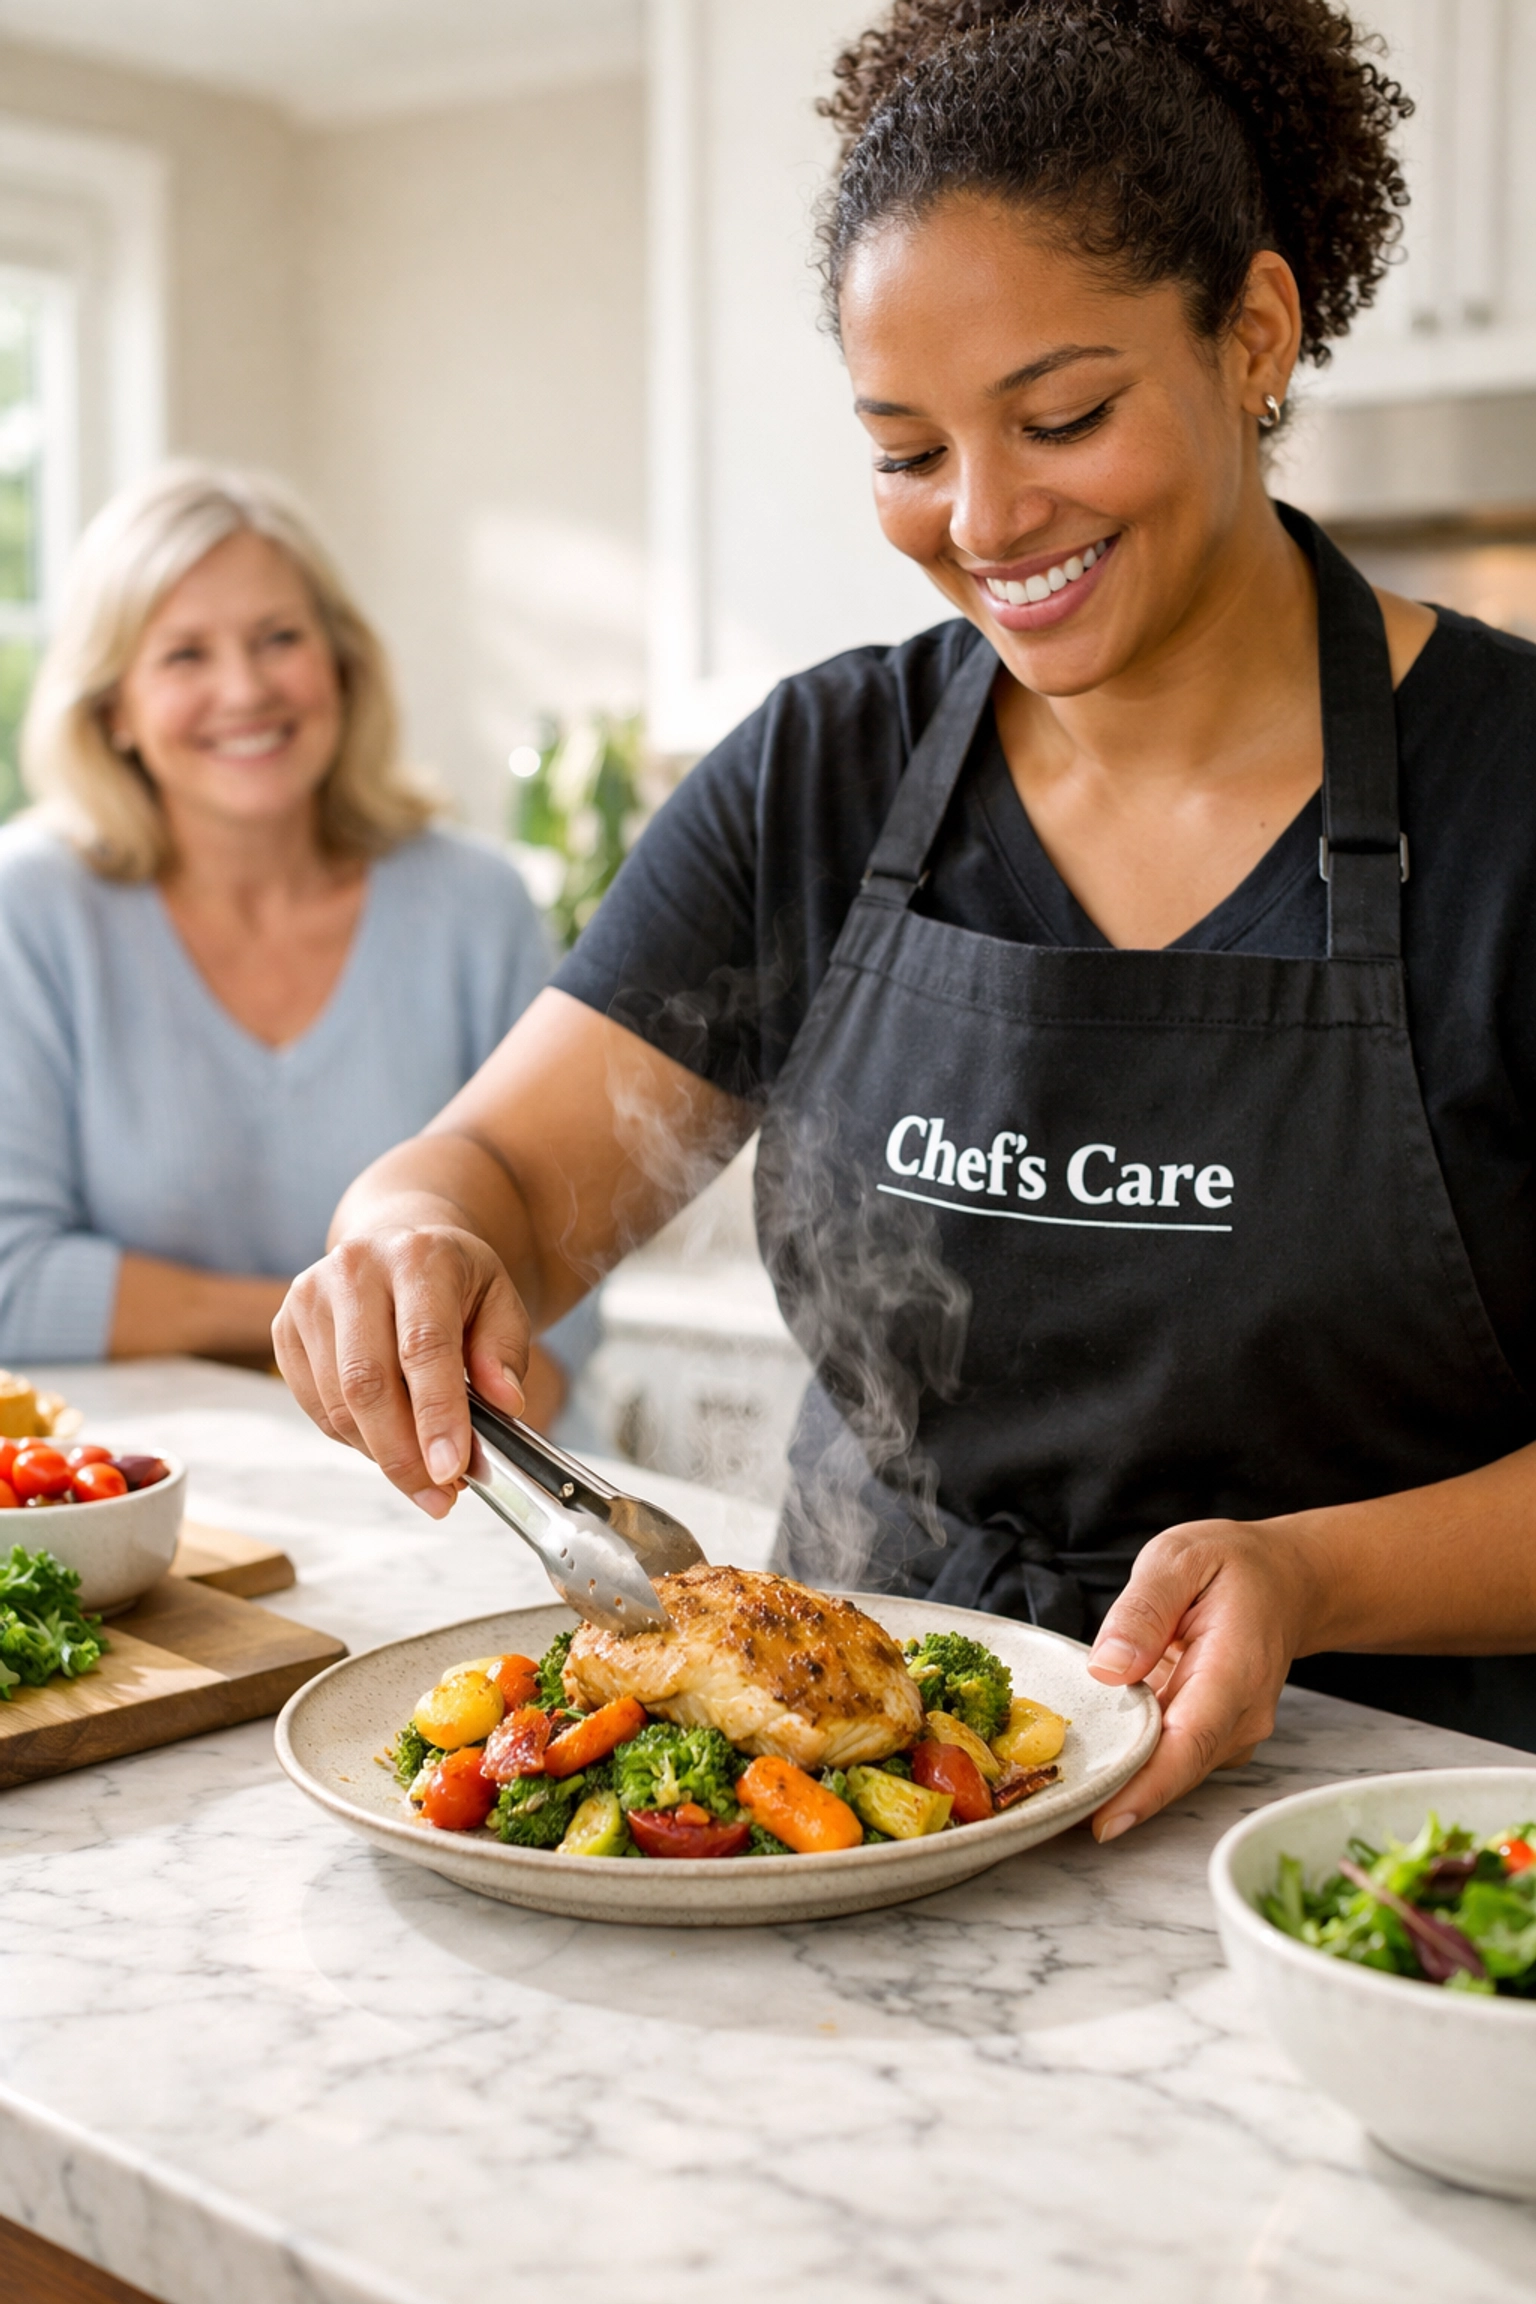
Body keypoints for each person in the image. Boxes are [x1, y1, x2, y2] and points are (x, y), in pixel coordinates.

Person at [274, 0, 1536, 1836]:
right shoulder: (822, 774)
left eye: (1064, 414)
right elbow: (508, 1176)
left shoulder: (1511, 796)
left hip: (1394, 1842)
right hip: (848, 1801)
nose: (986, 515)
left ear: (1253, 332)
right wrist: (409, 1235)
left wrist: (1314, 1573)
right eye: (903, 447)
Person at [0, 461, 584, 1428]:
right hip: (150, 1486)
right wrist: (338, 1320)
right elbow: (15, 1282)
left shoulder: (479, 906)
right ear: (114, 708)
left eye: (279, 639)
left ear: (341, 667)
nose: (245, 688)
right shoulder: (30, 909)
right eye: (185, 655)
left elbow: (560, 1311)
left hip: (453, 1477)